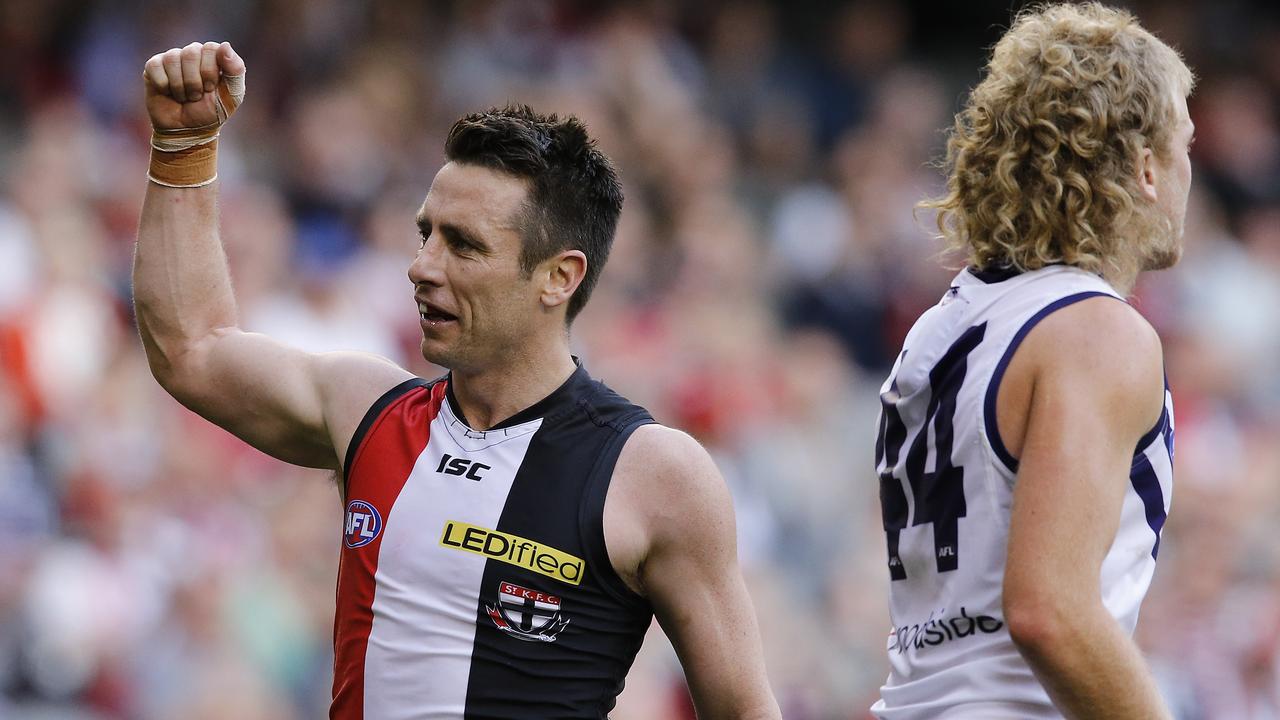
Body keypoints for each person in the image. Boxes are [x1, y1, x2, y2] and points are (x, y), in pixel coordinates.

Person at [134, 41, 780, 720]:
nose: (422, 266)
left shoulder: (651, 473)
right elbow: (191, 347)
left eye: (463, 245)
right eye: (425, 234)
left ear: (559, 276)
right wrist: (183, 142)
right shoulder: (367, 410)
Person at [870, 4, 1193, 719]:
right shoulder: (1098, 333)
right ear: (1146, 168)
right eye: (1184, 144)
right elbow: (1048, 611)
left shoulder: (937, 328)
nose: (1189, 172)